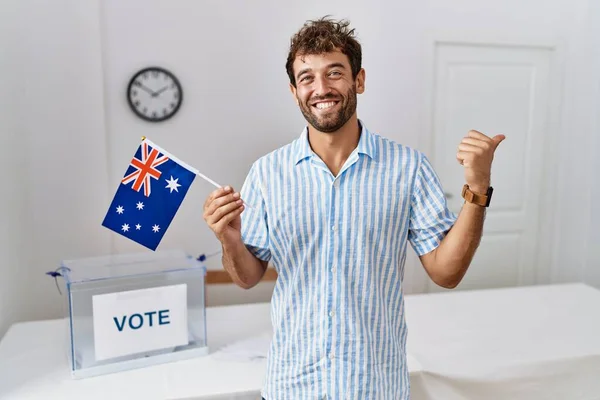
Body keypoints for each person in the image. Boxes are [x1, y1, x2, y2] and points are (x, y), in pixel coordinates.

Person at [203, 16, 504, 400]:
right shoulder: (266, 173)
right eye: (307, 77)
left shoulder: (408, 167)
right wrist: (229, 239)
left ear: (358, 80)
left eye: (334, 73)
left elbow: (446, 273)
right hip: (292, 386)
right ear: (294, 91)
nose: (321, 88)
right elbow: (247, 277)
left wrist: (477, 188)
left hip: (375, 386)